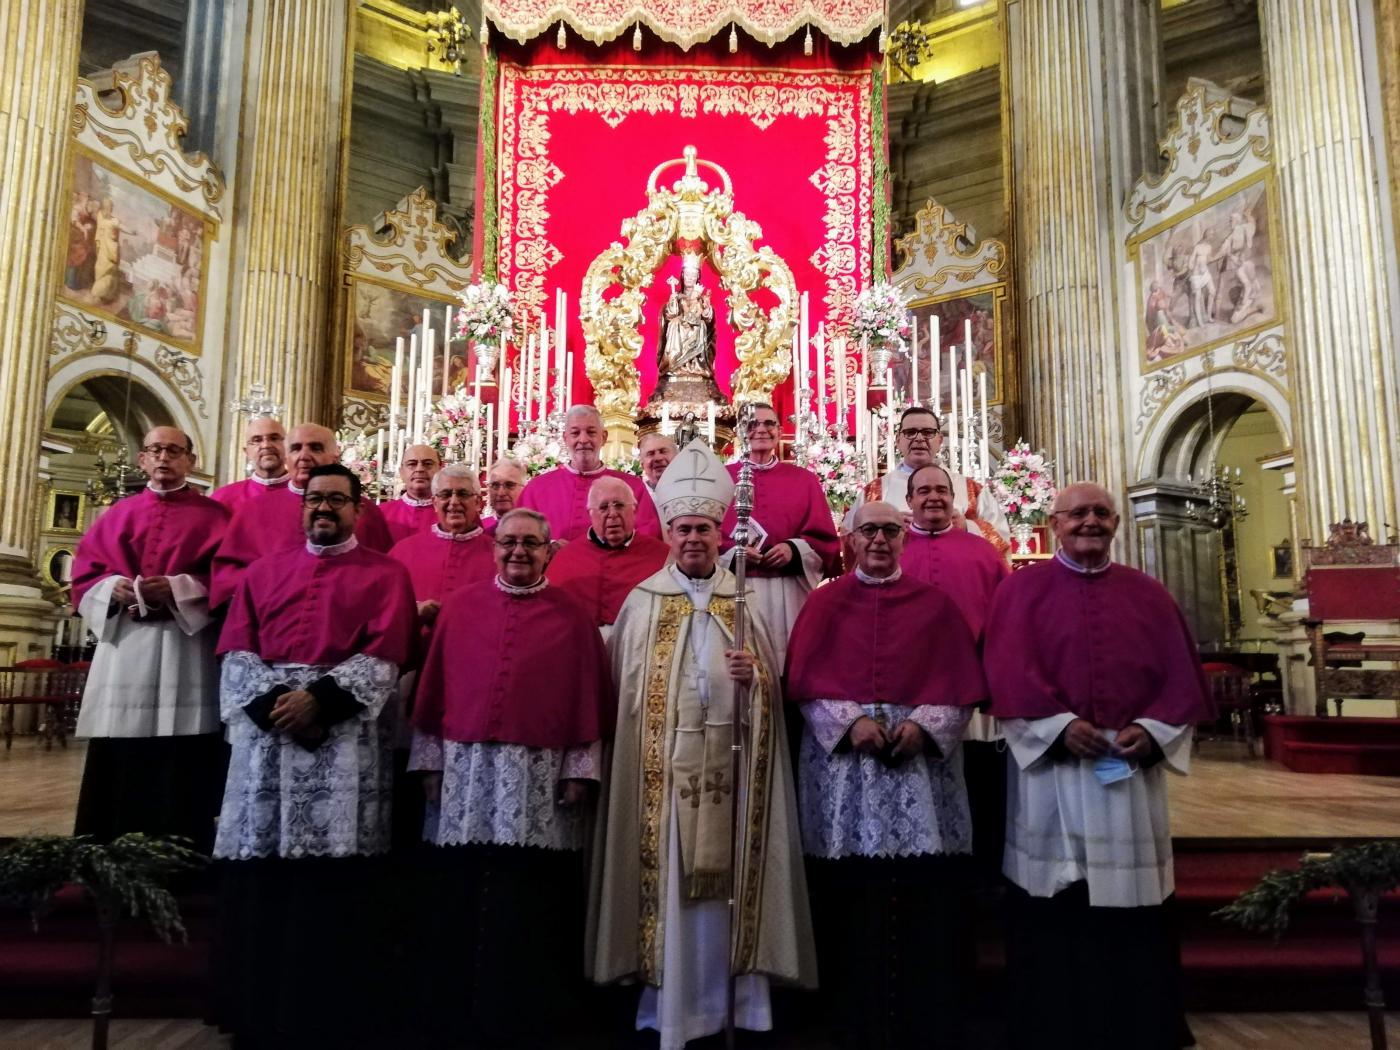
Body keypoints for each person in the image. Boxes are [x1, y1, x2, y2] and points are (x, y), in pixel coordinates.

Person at [590, 439, 816, 1050]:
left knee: (732, 884)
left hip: (735, 778)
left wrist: (756, 678)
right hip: (662, 780)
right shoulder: (642, 603)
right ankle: (673, 1009)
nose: (694, 538)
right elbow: (625, 695)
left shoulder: (743, 601)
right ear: (668, 533)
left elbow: (773, 693)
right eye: (684, 528)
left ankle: (737, 1003)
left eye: (705, 529)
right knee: (668, 888)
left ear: (721, 535)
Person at [983, 482, 1213, 1050]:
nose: (1090, 522)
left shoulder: (1149, 595)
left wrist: (1152, 731)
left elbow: (1179, 682)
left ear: (1116, 523)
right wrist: (1058, 727)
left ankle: (1137, 1025)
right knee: (1056, 898)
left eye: (1101, 513)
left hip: (1126, 770)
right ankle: (1052, 1026)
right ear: (1054, 525)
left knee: (1131, 904)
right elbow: (1006, 671)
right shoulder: (1020, 591)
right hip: (1053, 769)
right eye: (1078, 514)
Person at [210, 463, 416, 1048]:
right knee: (265, 867)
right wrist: (282, 706)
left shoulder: (388, 574)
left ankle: (330, 1013)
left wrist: (318, 702)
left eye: (336, 500)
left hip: (345, 740)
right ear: (302, 507)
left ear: (358, 508)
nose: (323, 508)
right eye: (314, 499)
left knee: (334, 878)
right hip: (269, 739)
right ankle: (257, 1012)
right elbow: (236, 652)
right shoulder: (262, 572)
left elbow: (387, 654)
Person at [409, 507, 614, 1045]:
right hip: (466, 770)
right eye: (508, 542)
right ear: (494, 547)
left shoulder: (572, 617)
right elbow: (434, 690)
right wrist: (429, 763)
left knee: (531, 890)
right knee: (461, 884)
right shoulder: (460, 607)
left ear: (548, 551)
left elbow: (588, 700)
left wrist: (579, 771)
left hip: (537, 775)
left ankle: (528, 1011)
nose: (518, 551)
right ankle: (457, 1010)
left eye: (530, 543)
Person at [786, 500, 986, 1049]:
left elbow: (961, 686)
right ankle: (850, 1017)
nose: (879, 540)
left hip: (919, 769)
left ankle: (925, 1019)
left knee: (922, 896)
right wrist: (849, 723)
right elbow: (804, 683)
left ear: (904, 539)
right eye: (868, 530)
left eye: (890, 531)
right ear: (849, 540)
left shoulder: (936, 606)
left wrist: (925, 724)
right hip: (847, 774)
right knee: (851, 894)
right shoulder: (823, 603)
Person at [69, 427, 231, 852]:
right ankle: (108, 845)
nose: (164, 458)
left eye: (174, 451)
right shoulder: (116, 514)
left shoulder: (215, 516)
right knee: (119, 748)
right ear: (142, 459)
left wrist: (178, 588)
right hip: (125, 646)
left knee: (182, 749)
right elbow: (85, 575)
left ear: (190, 461)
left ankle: (182, 846)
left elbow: (228, 578)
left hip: (184, 645)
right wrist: (112, 588)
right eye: (155, 450)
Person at [901, 462, 1011, 884]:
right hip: (912, 694)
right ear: (909, 500)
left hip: (975, 692)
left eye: (942, 490)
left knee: (980, 785)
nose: (933, 497)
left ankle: (982, 879)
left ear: (955, 499)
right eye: (923, 491)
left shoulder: (983, 552)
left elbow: (1005, 622)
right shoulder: (891, 551)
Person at [210, 423, 392, 607]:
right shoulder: (253, 510)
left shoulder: (364, 511)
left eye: (316, 448)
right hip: (270, 611)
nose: (304, 456)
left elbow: (382, 574)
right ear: (286, 457)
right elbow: (227, 574)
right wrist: (269, 586)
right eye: (296, 448)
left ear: (335, 456)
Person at [719, 402, 840, 661]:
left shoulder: (804, 480)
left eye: (769, 423)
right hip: (734, 587)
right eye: (752, 424)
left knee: (789, 661)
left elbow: (826, 542)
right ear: (739, 431)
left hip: (789, 592)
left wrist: (793, 549)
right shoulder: (721, 478)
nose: (761, 429)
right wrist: (734, 554)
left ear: (780, 431)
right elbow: (705, 536)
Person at [853, 405, 1010, 553]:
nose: (919, 438)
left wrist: (967, 527)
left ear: (940, 440)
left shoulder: (971, 490)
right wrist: (888, 529)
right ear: (898, 440)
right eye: (910, 432)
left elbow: (1001, 539)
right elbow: (850, 539)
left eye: (928, 432)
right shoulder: (874, 492)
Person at [545, 476, 670, 641]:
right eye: (603, 507)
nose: (612, 514)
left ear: (634, 510)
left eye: (619, 505)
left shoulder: (662, 556)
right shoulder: (566, 557)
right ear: (590, 514)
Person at [517, 405, 662, 542]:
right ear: (565, 438)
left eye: (591, 432)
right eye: (575, 433)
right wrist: (549, 547)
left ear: (603, 437)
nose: (583, 440)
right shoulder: (536, 488)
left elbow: (647, 539)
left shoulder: (632, 486)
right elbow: (519, 535)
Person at [389, 464, 495, 626]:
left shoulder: (499, 553)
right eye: (445, 494)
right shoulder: (404, 551)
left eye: (463, 494)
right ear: (435, 502)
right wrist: (414, 610)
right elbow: (384, 605)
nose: (454, 502)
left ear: (477, 502)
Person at [210, 417, 289, 512]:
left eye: (274, 438)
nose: (266, 445)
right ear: (247, 452)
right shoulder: (223, 498)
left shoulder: (304, 494)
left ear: (288, 446)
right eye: (257, 440)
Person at [380, 444, 442, 543]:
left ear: (440, 469)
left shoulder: (451, 514)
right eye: (412, 464)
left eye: (428, 464)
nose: (419, 469)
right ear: (401, 472)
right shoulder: (381, 513)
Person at [481, 456, 527, 533]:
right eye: (495, 485)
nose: (501, 493)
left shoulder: (535, 530)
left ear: (524, 489)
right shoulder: (480, 531)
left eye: (509, 485)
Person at [639, 431, 677, 505]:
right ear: (642, 464)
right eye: (651, 454)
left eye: (663, 451)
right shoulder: (635, 497)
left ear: (677, 458)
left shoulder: (691, 490)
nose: (658, 458)